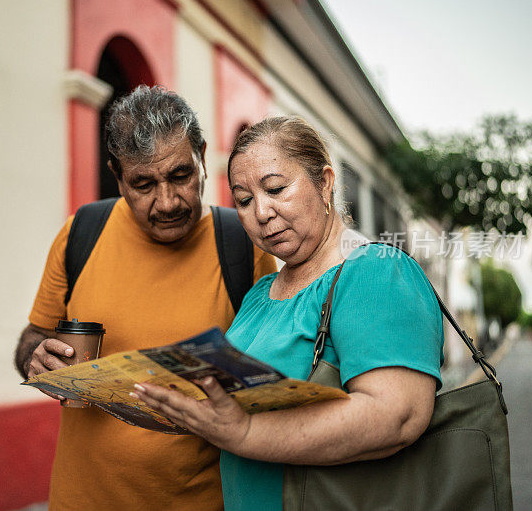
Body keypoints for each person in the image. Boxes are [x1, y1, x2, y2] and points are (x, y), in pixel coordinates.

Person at [132, 116, 444, 510]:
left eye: (276, 188)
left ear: (325, 182)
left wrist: (245, 432)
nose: (261, 212)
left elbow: (397, 416)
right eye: (244, 200)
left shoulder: (375, 270)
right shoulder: (260, 295)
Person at [14, 86, 277, 510]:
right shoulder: (80, 234)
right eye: (143, 185)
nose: (168, 202)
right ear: (117, 174)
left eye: (180, 176)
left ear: (204, 158)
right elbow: (34, 335)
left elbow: (269, 375)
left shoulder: (245, 246)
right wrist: (36, 357)